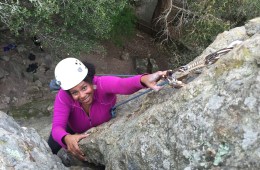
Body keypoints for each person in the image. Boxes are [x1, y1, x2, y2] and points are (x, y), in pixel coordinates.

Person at [48, 57, 169, 161]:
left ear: (90, 80)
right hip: (72, 127)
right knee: (49, 149)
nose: (82, 95)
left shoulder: (101, 84)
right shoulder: (63, 96)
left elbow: (123, 85)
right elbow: (57, 127)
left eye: (84, 88)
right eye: (75, 92)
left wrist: (144, 79)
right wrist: (66, 137)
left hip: (97, 123)